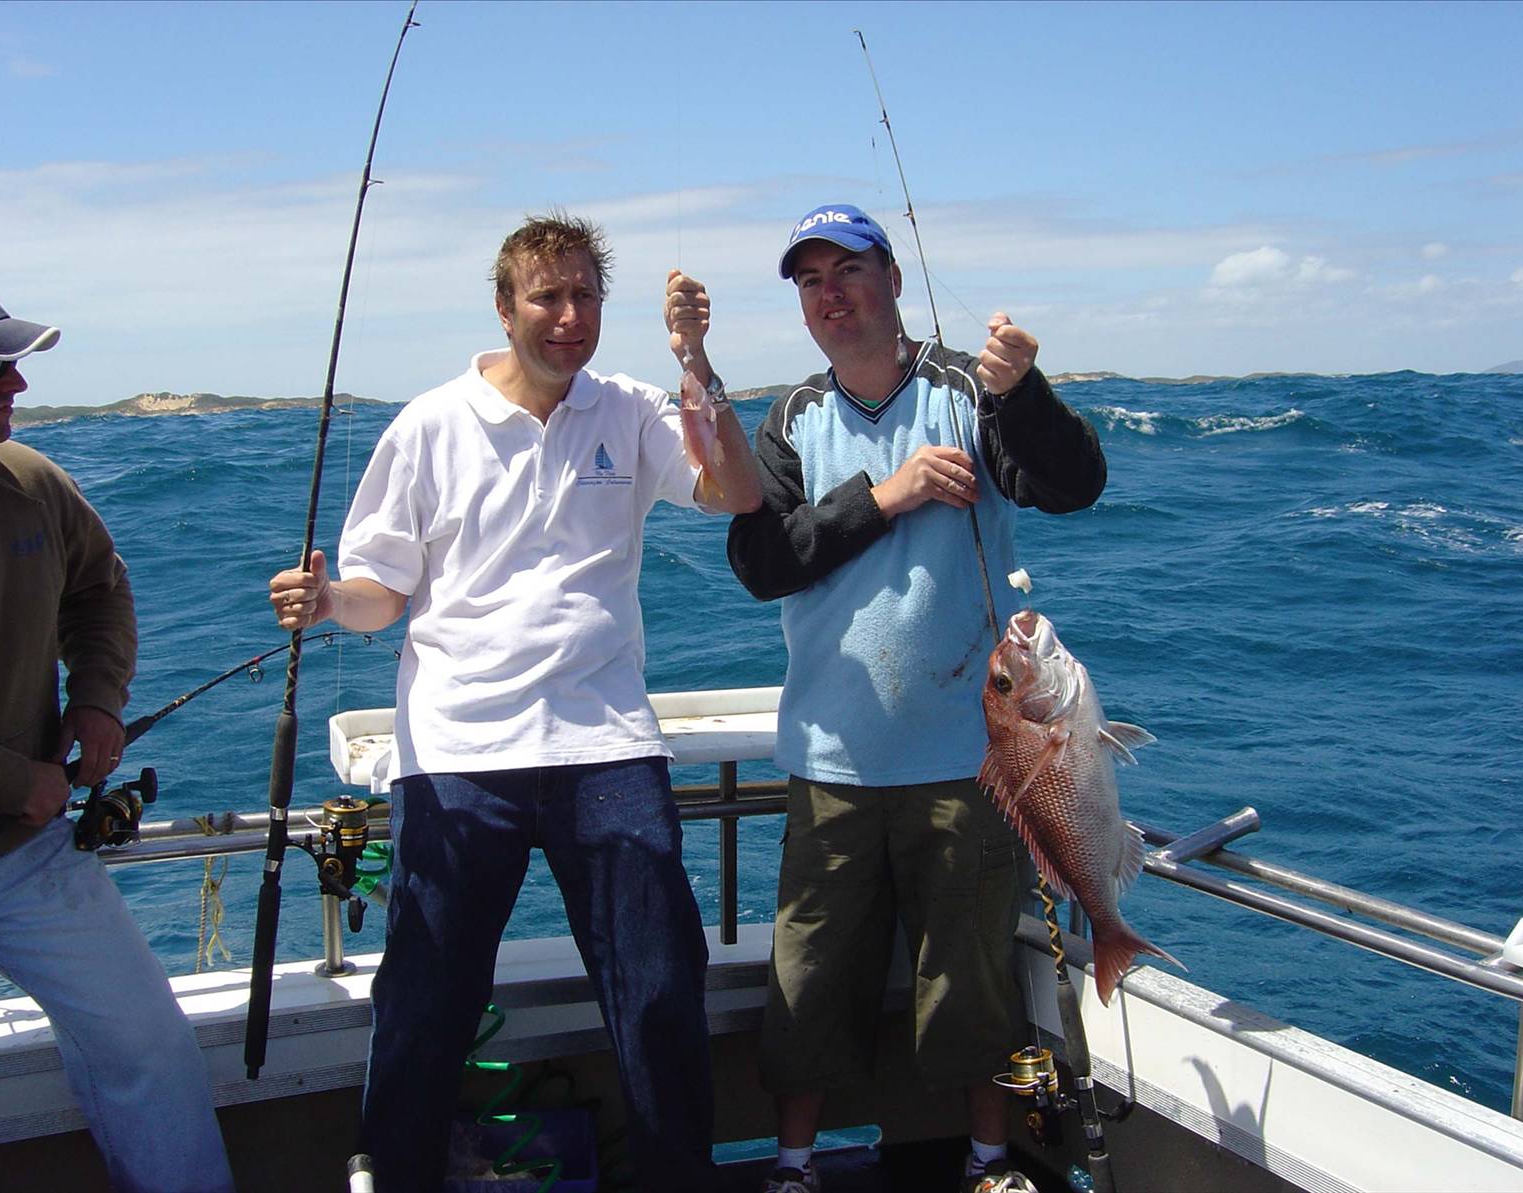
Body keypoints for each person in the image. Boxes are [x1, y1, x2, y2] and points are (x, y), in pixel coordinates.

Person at [267, 212, 762, 1192]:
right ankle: (398, 1171)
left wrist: (696, 358)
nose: (568, 315)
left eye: (583, 295)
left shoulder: (630, 408)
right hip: (456, 750)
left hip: (606, 741)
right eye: (547, 295)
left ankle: (677, 1175)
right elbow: (382, 594)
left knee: (659, 981)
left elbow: (735, 492)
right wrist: (326, 600)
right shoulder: (428, 426)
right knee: (427, 996)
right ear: (505, 307)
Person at [725, 205, 1108, 1193]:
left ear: (893, 279)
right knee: (807, 984)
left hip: (971, 764)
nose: (830, 293)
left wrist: (1024, 391)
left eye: (847, 269)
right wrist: (884, 497)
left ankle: (987, 1164)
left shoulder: (963, 394)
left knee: (970, 988)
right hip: (829, 764)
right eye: (809, 280)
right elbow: (762, 561)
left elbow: (1069, 483)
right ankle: (795, 1166)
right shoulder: (788, 420)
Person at [0, 273, 234, 1192]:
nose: (17, 384)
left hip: (21, 851)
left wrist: (99, 697)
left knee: (148, 1043)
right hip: (15, 807)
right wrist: (8, 780)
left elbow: (100, 588)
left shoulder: (32, 483)